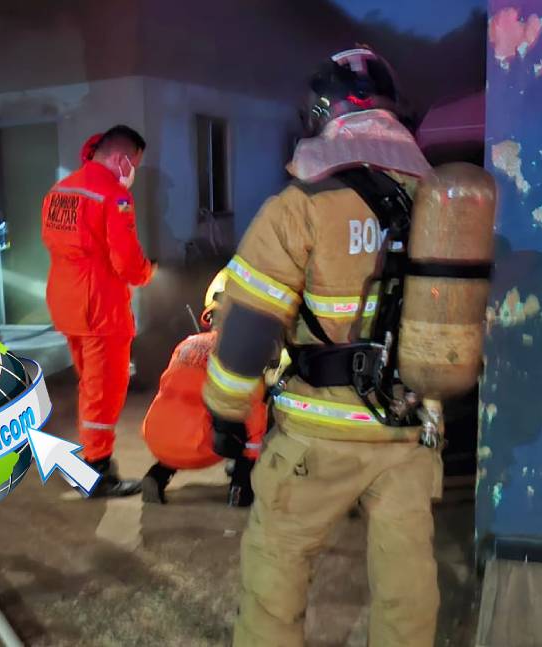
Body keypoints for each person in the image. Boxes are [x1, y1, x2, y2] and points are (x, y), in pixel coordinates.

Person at [202, 48, 440, 646]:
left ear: (320, 115)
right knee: (406, 587)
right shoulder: (442, 203)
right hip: (408, 431)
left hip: (317, 437)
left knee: (276, 575)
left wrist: (226, 414)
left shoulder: (297, 209)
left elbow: (247, 331)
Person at [41, 125, 156, 498]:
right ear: (122, 158)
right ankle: (98, 471)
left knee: (89, 384)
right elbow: (126, 261)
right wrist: (146, 272)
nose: (132, 171)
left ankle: (93, 460)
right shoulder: (113, 194)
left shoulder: (60, 190)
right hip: (100, 307)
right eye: (134, 162)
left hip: (66, 301)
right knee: (104, 390)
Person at [139, 272, 267, 507]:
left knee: (190, 410)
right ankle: (240, 487)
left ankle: (157, 475)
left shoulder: (186, 344)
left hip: (157, 438)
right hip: (200, 446)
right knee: (261, 408)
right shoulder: (240, 355)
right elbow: (254, 414)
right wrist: (249, 458)